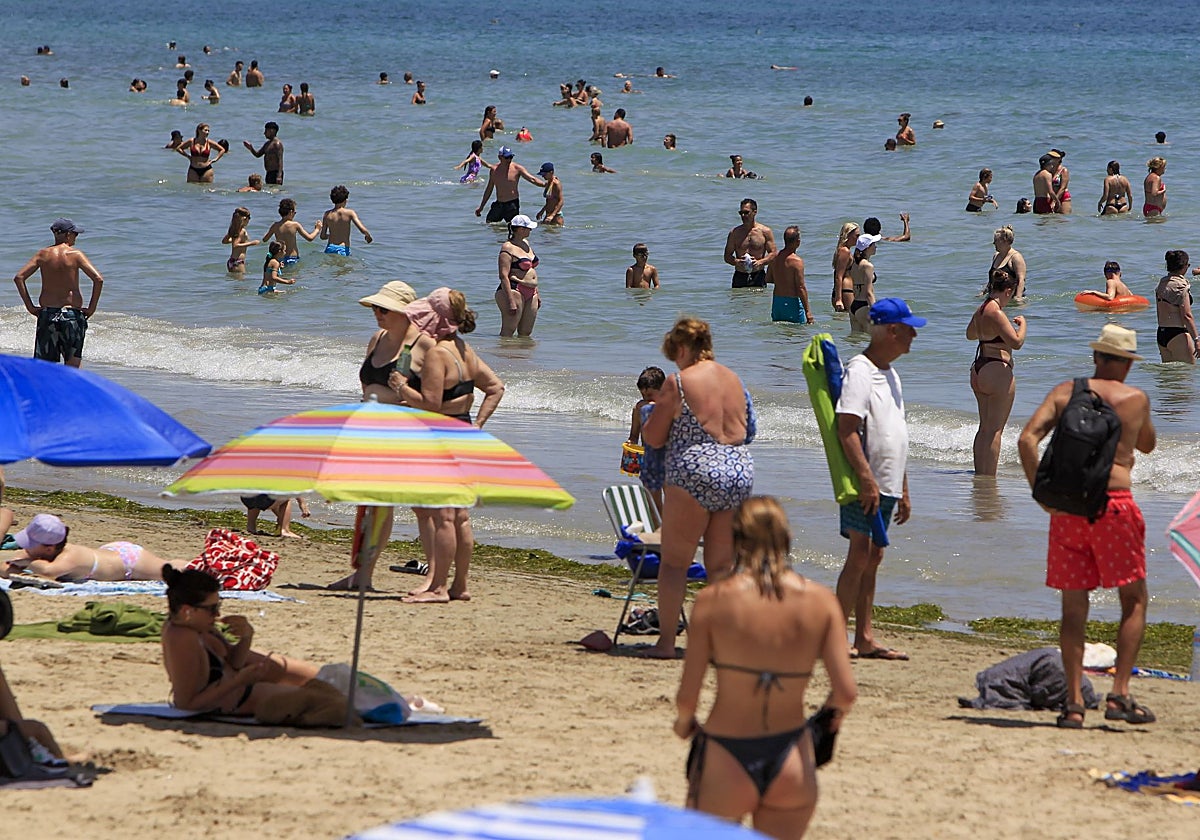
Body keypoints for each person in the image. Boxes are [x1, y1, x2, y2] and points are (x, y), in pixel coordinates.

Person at [674, 497, 856, 838]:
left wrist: (685, 725)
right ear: (787, 539)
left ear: (737, 539)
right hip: (791, 756)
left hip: (725, 753)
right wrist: (825, 724)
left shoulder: (713, 601)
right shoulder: (821, 602)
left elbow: (687, 699)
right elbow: (845, 693)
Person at [1017, 325, 1157, 728]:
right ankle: (1119, 694)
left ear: (1096, 356)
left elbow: (1027, 440)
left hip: (1068, 512)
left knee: (1074, 608)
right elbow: (1147, 445)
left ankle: (1075, 703)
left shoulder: (1065, 392)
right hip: (1114, 508)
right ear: (1128, 363)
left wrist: (1042, 495)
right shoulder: (1135, 399)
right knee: (1134, 600)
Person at [641, 318, 756, 659]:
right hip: (737, 469)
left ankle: (666, 643)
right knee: (721, 567)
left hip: (695, 470)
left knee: (675, 563)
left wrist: (649, 424)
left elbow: (655, 437)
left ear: (681, 349)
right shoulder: (734, 379)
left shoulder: (679, 382)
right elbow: (749, 430)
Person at [324, 281, 434, 591]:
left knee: (422, 508)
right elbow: (366, 387)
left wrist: (404, 396)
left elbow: (433, 398)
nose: (377, 313)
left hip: (408, 433)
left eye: (383, 309)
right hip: (371, 431)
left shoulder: (424, 345)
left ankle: (433, 579)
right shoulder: (377, 339)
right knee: (373, 504)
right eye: (375, 308)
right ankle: (363, 574)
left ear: (404, 312)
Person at [398, 289, 505, 603]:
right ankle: (460, 585)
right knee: (460, 516)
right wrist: (478, 425)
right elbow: (495, 388)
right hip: (462, 431)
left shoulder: (438, 353)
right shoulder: (464, 349)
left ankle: (439, 588)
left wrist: (402, 388)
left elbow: (430, 404)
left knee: (443, 515)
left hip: (440, 436)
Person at [835, 298, 923, 661]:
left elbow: (896, 433)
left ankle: (865, 637)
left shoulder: (891, 374)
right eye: (909, 329)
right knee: (859, 553)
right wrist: (866, 479)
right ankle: (836, 637)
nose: (914, 335)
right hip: (865, 481)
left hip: (886, 482)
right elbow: (846, 428)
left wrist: (903, 488)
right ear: (891, 331)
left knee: (874, 555)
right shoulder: (860, 370)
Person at [160, 566, 348, 725]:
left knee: (330, 693)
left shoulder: (199, 628)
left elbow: (234, 662)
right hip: (238, 703)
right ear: (187, 611)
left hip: (246, 693)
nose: (217, 614)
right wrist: (239, 681)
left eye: (218, 606)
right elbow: (187, 703)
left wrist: (247, 635)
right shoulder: (182, 638)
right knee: (335, 706)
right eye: (212, 609)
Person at [12, 218, 103, 367]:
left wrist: (30, 307)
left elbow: (19, 277)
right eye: (75, 234)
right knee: (72, 367)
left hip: (48, 315)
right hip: (72, 316)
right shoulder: (75, 254)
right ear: (68, 234)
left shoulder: (42, 254)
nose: (76, 238)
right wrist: (92, 308)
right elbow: (98, 279)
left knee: (46, 368)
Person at [3, 514, 189, 581]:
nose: (25, 548)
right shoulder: (46, 554)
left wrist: (27, 563)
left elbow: (48, 572)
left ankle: (196, 565)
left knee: (170, 570)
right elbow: (6, 566)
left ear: (49, 549)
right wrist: (18, 564)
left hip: (129, 561)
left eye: (30, 545)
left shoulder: (70, 557)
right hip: (109, 553)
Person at [966, 269, 1026, 475]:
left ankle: (980, 475)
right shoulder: (997, 312)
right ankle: (989, 478)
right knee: (995, 430)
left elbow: (970, 335)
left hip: (979, 368)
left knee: (984, 428)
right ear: (1008, 291)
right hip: (996, 369)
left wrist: (987, 331)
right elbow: (1016, 342)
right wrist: (1023, 325)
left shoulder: (981, 310)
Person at [495, 215, 540, 336]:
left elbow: (531, 270)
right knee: (508, 331)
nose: (530, 230)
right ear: (521, 229)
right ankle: (503, 348)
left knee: (526, 332)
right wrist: (510, 301)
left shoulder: (526, 243)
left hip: (531, 291)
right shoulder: (507, 247)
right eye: (528, 228)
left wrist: (537, 292)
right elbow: (503, 276)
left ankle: (520, 350)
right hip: (514, 289)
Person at [630, 366, 667, 513]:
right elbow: (634, 436)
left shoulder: (669, 408)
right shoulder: (638, 409)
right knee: (653, 503)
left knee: (673, 500)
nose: (646, 399)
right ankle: (657, 526)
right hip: (649, 460)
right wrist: (630, 447)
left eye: (650, 395)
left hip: (668, 460)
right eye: (643, 395)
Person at [475, 147, 544, 224]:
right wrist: (481, 207)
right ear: (500, 157)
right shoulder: (494, 170)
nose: (509, 160)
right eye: (507, 157)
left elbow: (532, 179)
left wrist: (545, 184)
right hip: (499, 204)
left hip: (512, 204)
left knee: (512, 226)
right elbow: (489, 189)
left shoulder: (517, 168)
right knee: (489, 223)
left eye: (511, 157)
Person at [1154, 249, 1198, 364]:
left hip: (1162, 333)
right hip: (1178, 334)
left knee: (1168, 374)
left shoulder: (1162, 284)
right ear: (1184, 266)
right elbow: (1187, 316)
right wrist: (1197, 340)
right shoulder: (1181, 286)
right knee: (1188, 372)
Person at [724, 199, 777, 289]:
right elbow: (727, 256)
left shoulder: (765, 232)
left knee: (759, 298)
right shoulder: (734, 233)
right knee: (739, 298)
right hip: (740, 276)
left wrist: (760, 262)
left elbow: (773, 254)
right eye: (741, 213)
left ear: (754, 212)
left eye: (746, 212)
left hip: (758, 275)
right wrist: (737, 262)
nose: (743, 216)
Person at [767, 226, 812, 324]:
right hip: (792, 302)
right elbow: (801, 287)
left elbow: (768, 279)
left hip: (777, 302)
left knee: (778, 331)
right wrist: (808, 312)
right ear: (798, 242)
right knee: (797, 332)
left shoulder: (774, 258)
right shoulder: (797, 261)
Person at [261, 198, 320, 265]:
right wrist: (317, 229)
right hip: (292, 258)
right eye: (295, 212)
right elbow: (310, 238)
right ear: (291, 212)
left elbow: (265, 239)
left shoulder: (275, 225)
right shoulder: (295, 225)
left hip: (280, 259)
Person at [319, 185, 372, 256]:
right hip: (342, 249)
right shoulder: (350, 213)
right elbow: (362, 229)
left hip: (330, 248)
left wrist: (331, 235)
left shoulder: (327, 214)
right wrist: (368, 236)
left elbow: (322, 236)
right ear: (345, 200)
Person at [240, 495, 309, 538]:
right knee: (286, 498)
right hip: (263, 499)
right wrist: (302, 503)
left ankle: (251, 527)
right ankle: (285, 530)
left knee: (256, 498)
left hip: (246, 498)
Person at [989, 225, 1027, 299]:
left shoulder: (1016, 257)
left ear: (1005, 241)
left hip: (1010, 298)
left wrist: (1018, 298)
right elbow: (992, 278)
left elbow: (1021, 280)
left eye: (996, 240)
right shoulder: (996, 256)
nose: (993, 243)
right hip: (994, 297)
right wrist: (984, 292)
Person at [243, 121, 284, 185]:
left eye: (266, 131)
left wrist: (279, 175)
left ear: (272, 131)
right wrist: (251, 148)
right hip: (268, 173)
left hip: (276, 173)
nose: (264, 133)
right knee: (269, 189)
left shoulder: (277, 144)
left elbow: (280, 160)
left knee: (275, 190)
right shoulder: (267, 144)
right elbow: (258, 154)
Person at [831, 221, 859, 312]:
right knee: (850, 316)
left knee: (845, 318)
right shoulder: (844, 251)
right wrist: (839, 299)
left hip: (844, 290)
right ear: (848, 235)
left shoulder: (844, 250)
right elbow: (838, 276)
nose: (858, 238)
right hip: (845, 290)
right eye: (857, 235)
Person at [222, 207, 260, 274]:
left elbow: (224, 241)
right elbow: (235, 245)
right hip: (238, 262)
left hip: (231, 261)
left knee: (235, 280)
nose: (249, 220)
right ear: (245, 218)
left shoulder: (234, 229)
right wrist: (252, 243)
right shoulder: (242, 231)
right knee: (241, 280)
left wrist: (233, 240)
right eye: (249, 218)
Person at [1047, 149, 1072, 214]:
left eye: (1053, 157)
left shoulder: (1063, 171)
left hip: (1063, 198)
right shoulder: (1049, 170)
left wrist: (1054, 201)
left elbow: (1063, 188)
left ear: (1059, 159)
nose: (1050, 159)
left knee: (1064, 218)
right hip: (1053, 197)